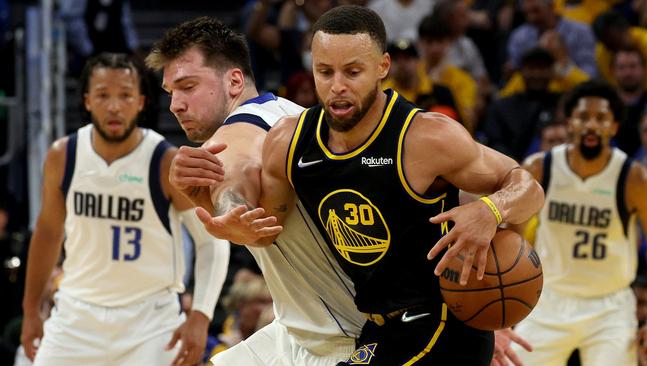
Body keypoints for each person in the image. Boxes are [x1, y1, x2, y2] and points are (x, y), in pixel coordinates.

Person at [201, 5, 544, 364]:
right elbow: (268, 232)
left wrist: (490, 210)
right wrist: (229, 221)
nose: (337, 87)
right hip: (378, 328)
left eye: (352, 72)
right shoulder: (290, 142)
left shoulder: (426, 137)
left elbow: (527, 185)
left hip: (442, 323)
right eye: (324, 72)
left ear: (382, 66)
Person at [145, 17, 365, 365]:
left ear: (234, 81)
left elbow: (235, 165)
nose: (175, 105)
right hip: (296, 331)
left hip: (342, 339)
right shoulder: (291, 112)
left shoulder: (243, 124)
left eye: (187, 87)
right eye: (171, 92)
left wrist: (232, 211)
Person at [19, 53, 229, 366]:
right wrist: (31, 309)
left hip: (151, 322)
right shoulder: (63, 156)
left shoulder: (164, 161)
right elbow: (48, 233)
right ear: (88, 101)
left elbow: (211, 239)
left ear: (141, 102)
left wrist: (200, 315)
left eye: (125, 96)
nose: (114, 107)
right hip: (77, 316)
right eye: (104, 96)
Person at [513, 80, 647, 365]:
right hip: (548, 299)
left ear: (613, 127)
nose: (591, 125)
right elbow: (511, 240)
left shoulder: (633, 178)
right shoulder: (540, 168)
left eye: (601, 118)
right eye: (583, 117)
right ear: (569, 123)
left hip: (610, 307)